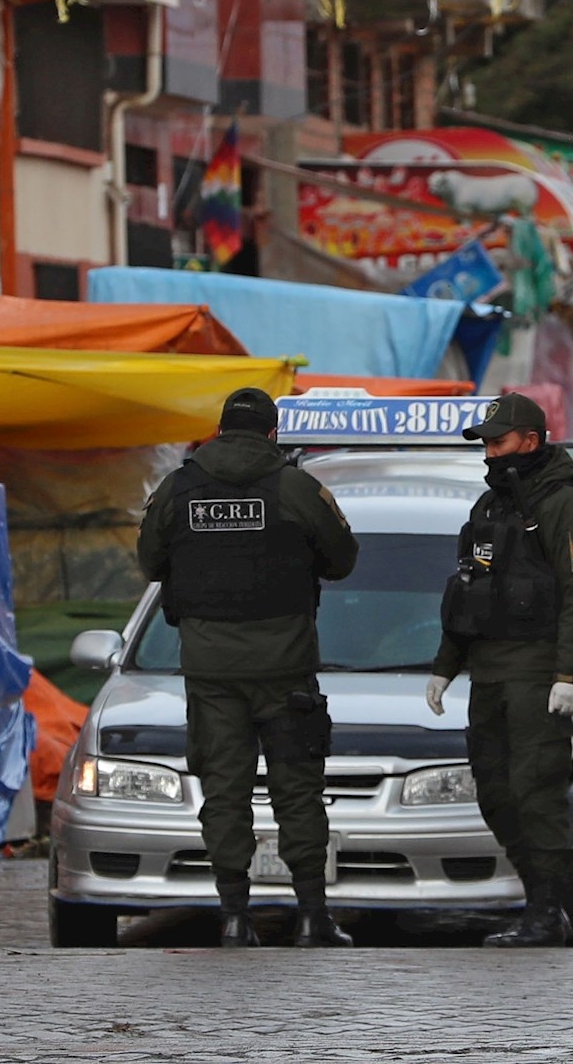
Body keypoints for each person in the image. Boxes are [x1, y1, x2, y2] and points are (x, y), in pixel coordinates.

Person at [136, 388, 360, 948]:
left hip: (210, 673)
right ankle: (312, 917)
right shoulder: (295, 486)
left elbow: (149, 561)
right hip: (286, 670)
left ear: (219, 430)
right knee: (298, 792)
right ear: (271, 433)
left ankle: (235, 917)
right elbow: (344, 558)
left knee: (225, 793)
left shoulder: (179, 488)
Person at [426, 394, 573, 947]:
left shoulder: (566, 505)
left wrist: (569, 675)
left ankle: (549, 912)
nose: (489, 452)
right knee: (496, 793)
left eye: (497, 442)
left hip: (537, 675)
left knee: (537, 793)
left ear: (529, 440)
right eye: (484, 443)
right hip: (489, 675)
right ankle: (538, 902)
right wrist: (444, 666)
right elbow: (469, 592)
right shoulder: (489, 507)